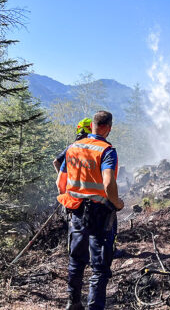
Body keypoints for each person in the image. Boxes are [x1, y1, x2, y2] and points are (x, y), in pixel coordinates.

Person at [56, 111, 124, 310]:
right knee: (99, 267)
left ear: (92, 126)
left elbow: (59, 183)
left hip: (76, 212)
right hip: (100, 214)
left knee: (76, 260)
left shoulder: (72, 148)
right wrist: (117, 203)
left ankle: (73, 303)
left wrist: (71, 199)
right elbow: (109, 181)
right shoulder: (106, 150)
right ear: (108, 128)